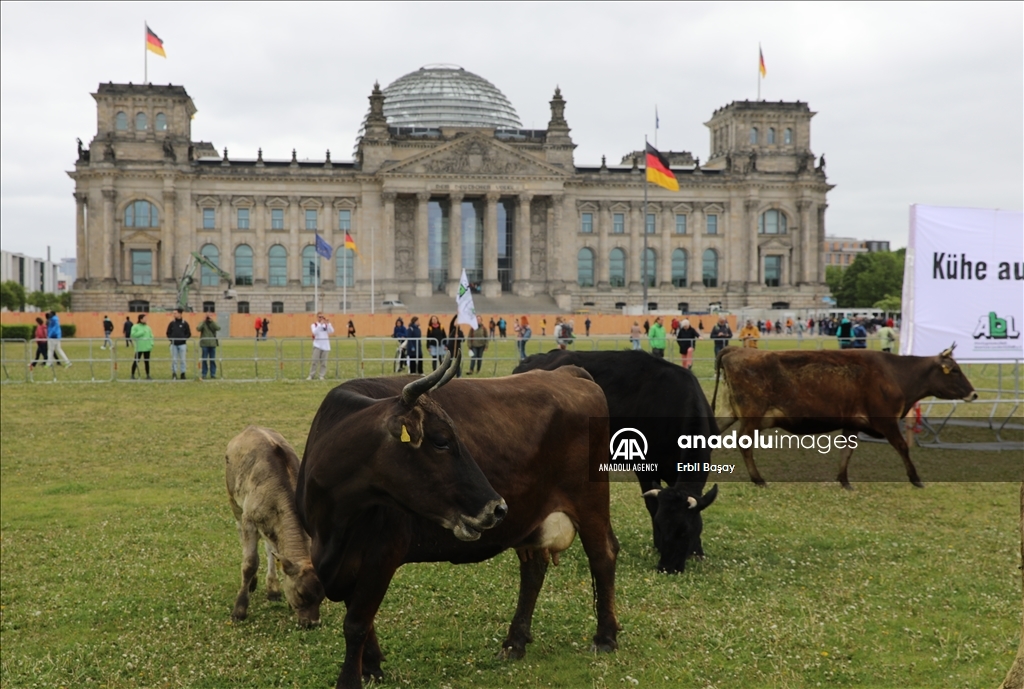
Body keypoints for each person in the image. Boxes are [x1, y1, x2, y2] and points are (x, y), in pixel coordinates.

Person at [167, 308, 192, 379]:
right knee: (174, 359)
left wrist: (184, 338)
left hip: (182, 345)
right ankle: (174, 373)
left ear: (180, 314)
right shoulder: (172, 323)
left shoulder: (185, 323)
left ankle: (182, 373)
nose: (174, 314)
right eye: (173, 313)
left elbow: (188, 333)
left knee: (183, 360)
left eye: (175, 313)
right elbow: (168, 333)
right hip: (173, 344)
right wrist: (171, 339)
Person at [308, 313, 334, 380]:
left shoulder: (326, 325)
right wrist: (320, 324)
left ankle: (321, 375)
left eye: (322, 317)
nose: (321, 318)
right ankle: (311, 375)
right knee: (314, 362)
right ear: (317, 317)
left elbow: (331, 331)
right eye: (319, 317)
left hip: (325, 346)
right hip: (317, 345)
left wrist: (328, 323)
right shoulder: (314, 325)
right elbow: (314, 332)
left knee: (323, 363)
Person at [130, 313, 154, 379]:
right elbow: (133, 335)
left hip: (147, 347)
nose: (146, 319)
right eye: (145, 318)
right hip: (139, 347)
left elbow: (151, 336)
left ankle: (148, 375)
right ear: (140, 319)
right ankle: (132, 375)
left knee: (147, 362)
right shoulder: (135, 326)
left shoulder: (148, 327)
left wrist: (151, 343)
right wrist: (142, 333)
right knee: (136, 361)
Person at [196, 313, 221, 379]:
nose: (208, 317)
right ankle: (204, 373)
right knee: (204, 359)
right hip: (205, 344)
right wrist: (203, 321)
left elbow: (218, 328)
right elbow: (198, 328)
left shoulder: (213, 323)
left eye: (210, 316)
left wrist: (212, 321)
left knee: (212, 359)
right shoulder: (203, 323)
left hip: (212, 344)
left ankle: (213, 373)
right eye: (207, 316)